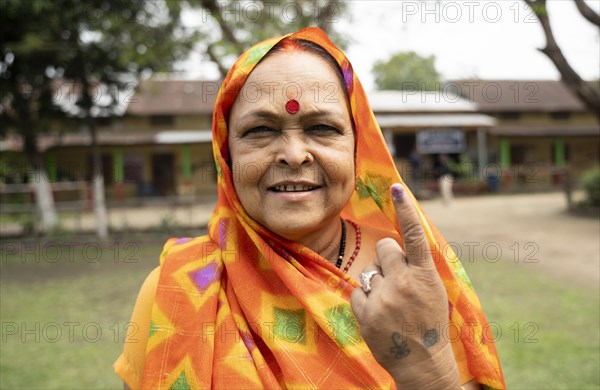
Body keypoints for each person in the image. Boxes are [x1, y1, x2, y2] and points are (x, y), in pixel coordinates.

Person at [114, 27, 504, 389]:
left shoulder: (415, 278)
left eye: (322, 128)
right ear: (226, 154)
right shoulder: (181, 288)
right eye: (260, 130)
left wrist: (428, 371)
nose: (294, 155)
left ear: (358, 150)